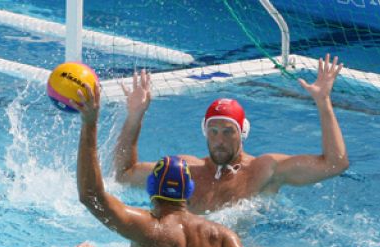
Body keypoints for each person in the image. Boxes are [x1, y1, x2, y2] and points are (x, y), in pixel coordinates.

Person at [73, 82, 275, 247]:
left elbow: (91, 195)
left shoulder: (146, 227)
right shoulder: (221, 238)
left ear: (151, 187)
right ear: (188, 190)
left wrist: (89, 125)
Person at [114, 54, 349, 214]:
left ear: (242, 132)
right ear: (204, 132)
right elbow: (125, 174)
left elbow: (335, 164)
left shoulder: (265, 170)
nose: (219, 140)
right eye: (213, 131)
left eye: (228, 132)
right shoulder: (185, 171)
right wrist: (135, 116)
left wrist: (323, 102)